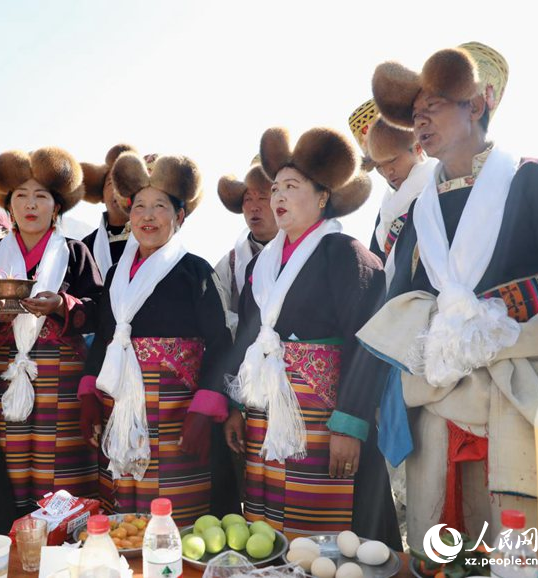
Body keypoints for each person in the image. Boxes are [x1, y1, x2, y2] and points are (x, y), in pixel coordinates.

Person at [360, 41, 538, 544]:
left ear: (476, 105)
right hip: (441, 401)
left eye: (432, 107)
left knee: (515, 545)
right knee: (445, 542)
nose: (420, 123)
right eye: (415, 115)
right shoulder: (420, 212)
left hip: (521, 393)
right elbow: (398, 302)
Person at [223, 126, 400, 546]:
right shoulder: (261, 267)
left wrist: (350, 426)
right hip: (268, 417)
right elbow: (247, 337)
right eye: (275, 188)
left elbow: (367, 344)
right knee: (272, 527)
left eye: (291, 186)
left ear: (322, 197)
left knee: (335, 540)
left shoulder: (347, 255)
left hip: (326, 420)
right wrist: (234, 405)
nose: (277, 197)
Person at [78, 152, 233, 526]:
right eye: (139, 207)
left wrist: (204, 409)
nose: (147, 216)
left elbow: (222, 342)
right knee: (125, 513)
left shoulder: (195, 271)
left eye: (159, 207)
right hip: (120, 407)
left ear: (179, 217)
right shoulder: (116, 273)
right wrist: (88, 394)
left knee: (174, 518)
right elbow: (105, 337)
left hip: (177, 414)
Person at [0, 147, 103, 514]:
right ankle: (11, 535)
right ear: (9, 206)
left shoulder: (75, 252)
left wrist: (63, 304)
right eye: (21, 196)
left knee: (60, 461)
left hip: (61, 377)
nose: (31, 205)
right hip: (3, 370)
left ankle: (63, 537)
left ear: (57, 207)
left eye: (41, 196)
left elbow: (98, 311)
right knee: (7, 456)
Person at [348, 99, 437, 271]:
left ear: (417, 147)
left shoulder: (441, 187)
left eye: (392, 159)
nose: (388, 171)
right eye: (379, 166)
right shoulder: (385, 213)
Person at [215, 159, 278, 334]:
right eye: (248, 199)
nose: (253, 207)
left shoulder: (303, 254)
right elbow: (217, 312)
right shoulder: (230, 263)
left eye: (262, 198)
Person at [79, 144, 137, 281]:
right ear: (102, 196)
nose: (118, 190)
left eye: (125, 182)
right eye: (111, 182)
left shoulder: (151, 240)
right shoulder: (85, 247)